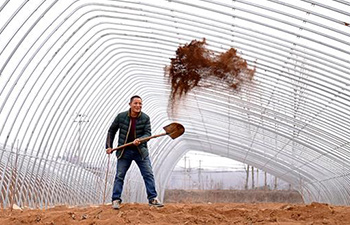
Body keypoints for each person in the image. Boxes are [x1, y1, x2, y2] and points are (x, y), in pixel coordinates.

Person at [106, 95, 164, 209]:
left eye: (140, 104)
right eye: (136, 103)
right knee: (119, 175)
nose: (138, 106)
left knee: (148, 174)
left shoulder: (145, 118)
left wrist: (141, 139)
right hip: (124, 151)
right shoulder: (121, 116)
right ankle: (116, 200)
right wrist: (109, 146)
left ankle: (152, 198)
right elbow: (111, 130)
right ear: (130, 104)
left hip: (140, 151)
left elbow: (148, 134)